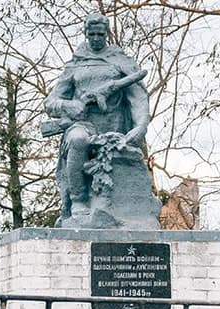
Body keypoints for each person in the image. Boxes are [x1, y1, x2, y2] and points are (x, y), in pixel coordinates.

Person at [44, 13, 149, 224]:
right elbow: (51, 102)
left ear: (107, 34)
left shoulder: (120, 62)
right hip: (82, 125)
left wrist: (141, 126)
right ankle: (79, 200)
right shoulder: (75, 65)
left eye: (100, 34)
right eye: (91, 34)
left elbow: (138, 98)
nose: (96, 38)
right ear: (85, 34)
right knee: (77, 140)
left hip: (114, 127)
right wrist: (69, 105)